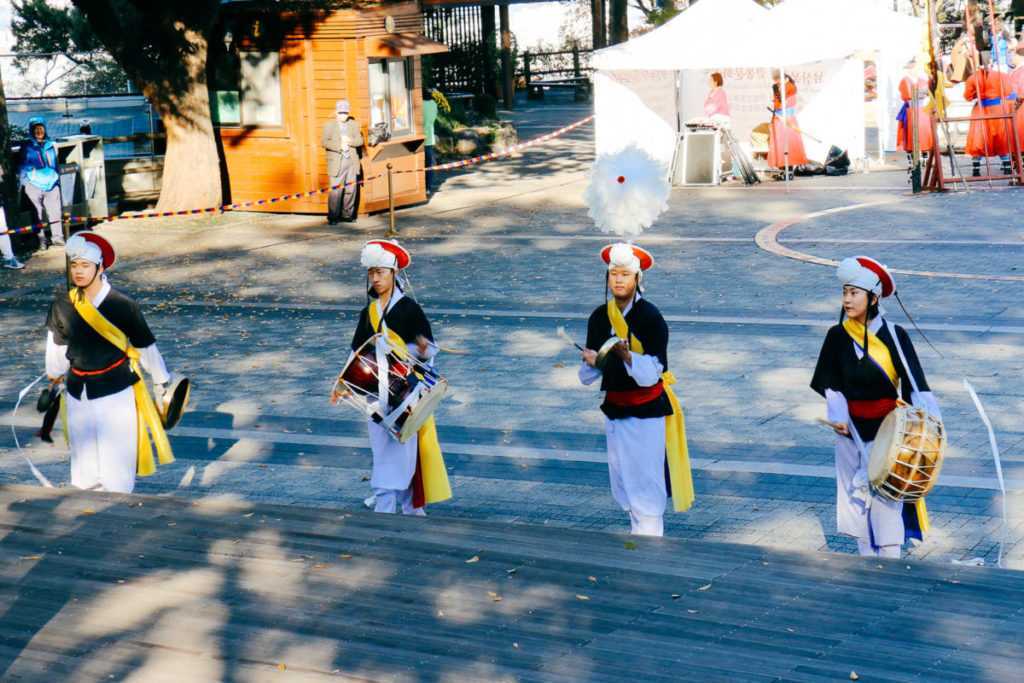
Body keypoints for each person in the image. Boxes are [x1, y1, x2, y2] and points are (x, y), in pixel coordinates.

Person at [810, 256, 940, 559]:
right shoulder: (837, 336)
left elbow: (915, 383)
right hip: (850, 428)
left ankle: (890, 557)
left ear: (873, 297)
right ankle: (865, 558)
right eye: (844, 293)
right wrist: (838, 415)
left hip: (888, 428)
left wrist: (926, 427)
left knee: (887, 493)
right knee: (855, 498)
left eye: (854, 293)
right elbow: (830, 382)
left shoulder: (895, 335)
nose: (846, 300)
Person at [45, 231, 178, 493]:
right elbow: (56, 346)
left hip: (115, 389)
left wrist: (161, 381)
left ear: (100, 267)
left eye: (85, 266)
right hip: (77, 391)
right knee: (84, 461)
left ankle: (119, 511)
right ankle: (87, 510)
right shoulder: (62, 303)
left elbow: (145, 346)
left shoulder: (122, 304)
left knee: (117, 461)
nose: (79, 272)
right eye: (74, 265)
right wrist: (55, 377)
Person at [579, 243, 694, 537]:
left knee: (647, 482)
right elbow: (589, 376)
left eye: (625, 275)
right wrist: (593, 361)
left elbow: (654, 372)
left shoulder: (650, 317)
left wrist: (628, 356)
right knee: (624, 481)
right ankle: (638, 539)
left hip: (647, 411)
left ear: (637, 279)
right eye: (613, 274)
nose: (618, 280)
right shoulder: (599, 316)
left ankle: (650, 544)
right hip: (615, 409)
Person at [333, 239, 452, 514]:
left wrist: (422, 348)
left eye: (380, 273)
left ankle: (408, 506)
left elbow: (428, 350)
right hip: (376, 394)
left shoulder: (410, 308)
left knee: (406, 453)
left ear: (393, 273)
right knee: (382, 451)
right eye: (371, 273)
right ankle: (387, 503)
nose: (375, 278)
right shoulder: (370, 312)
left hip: (406, 393)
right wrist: (343, 383)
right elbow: (357, 352)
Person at [18, 117, 64, 248]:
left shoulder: (51, 144)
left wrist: (56, 179)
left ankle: (58, 238)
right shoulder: (27, 146)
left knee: (55, 211)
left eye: (41, 128)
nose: (39, 131)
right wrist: (26, 183)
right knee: (36, 214)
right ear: (32, 130)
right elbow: (22, 166)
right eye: (36, 129)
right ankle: (42, 240)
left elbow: (55, 164)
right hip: (34, 184)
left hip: (51, 184)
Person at [963, 63, 1015, 176]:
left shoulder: (973, 78)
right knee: (1001, 136)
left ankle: (976, 169)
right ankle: (1006, 166)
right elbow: (1008, 91)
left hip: (981, 108)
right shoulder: (1002, 75)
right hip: (998, 109)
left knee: (979, 138)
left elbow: (967, 96)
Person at [322, 100, 363, 224]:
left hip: (351, 161)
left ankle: (347, 215)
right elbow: (324, 142)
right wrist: (339, 146)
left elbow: (360, 141)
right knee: (336, 191)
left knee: (351, 189)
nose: (343, 115)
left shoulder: (354, 124)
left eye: (345, 113)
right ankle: (333, 217)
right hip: (337, 162)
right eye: (340, 113)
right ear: (336, 112)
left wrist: (349, 141)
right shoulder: (329, 125)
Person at [896, 58, 935, 174]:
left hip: (922, 110)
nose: (913, 70)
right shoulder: (905, 81)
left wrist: (923, 93)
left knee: (924, 134)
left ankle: (925, 159)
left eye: (915, 68)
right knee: (911, 135)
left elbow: (928, 92)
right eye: (911, 68)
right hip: (911, 110)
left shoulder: (923, 80)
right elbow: (907, 95)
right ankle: (913, 161)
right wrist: (922, 93)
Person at [767, 71, 809, 173]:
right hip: (778, 116)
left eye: (777, 80)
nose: (776, 82)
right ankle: (781, 166)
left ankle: (788, 166)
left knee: (789, 142)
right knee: (779, 142)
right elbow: (777, 102)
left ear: (783, 77)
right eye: (775, 80)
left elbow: (785, 101)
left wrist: (778, 93)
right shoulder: (777, 86)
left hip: (787, 117)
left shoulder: (790, 86)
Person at [422, 89, 439, 195]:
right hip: (430, 137)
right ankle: (428, 187)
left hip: (421, 137)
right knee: (429, 163)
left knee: (422, 164)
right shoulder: (434, 104)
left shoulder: (421, 104)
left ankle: (423, 187)